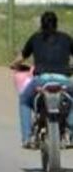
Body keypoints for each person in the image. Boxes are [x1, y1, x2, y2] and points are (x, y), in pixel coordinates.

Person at [10, 11, 73, 148]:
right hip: (63, 81)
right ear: (56, 24)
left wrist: (13, 64)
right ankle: (70, 132)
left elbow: (22, 57)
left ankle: (27, 138)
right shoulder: (67, 38)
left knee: (24, 100)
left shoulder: (35, 38)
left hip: (41, 81)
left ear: (41, 24)